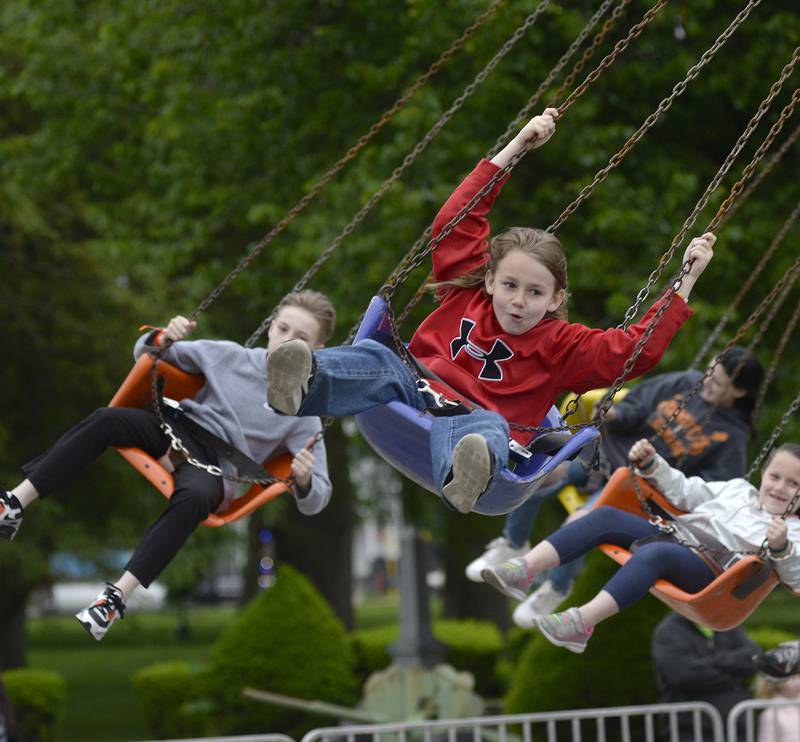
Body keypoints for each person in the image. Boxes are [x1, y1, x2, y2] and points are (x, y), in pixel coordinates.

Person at [264, 108, 715, 515]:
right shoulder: (465, 295)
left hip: (479, 421)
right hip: (414, 387)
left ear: (557, 298)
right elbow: (456, 220)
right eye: (510, 286)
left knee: (487, 430)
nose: (519, 301)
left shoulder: (562, 345)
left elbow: (631, 351)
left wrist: (686, 281)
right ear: (489, 280)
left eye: (535, 293)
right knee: (379, 358)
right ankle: (303, 381)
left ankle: (465, 477)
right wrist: (517, 146)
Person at [0, 289, 336, 640]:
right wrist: (163, 336)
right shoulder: (228, 356)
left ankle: (115, 598)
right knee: (106, 420)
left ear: (317, 351)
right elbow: (145, 354)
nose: (287, 342)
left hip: (217, 467)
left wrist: (305, 479)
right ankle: (14, 504)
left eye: (301, 338)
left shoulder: (304, 413)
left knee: (192, 499)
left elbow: (319, 498)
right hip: (177, 428)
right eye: (283, 329)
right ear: (270, 327)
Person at [466, 346, 765, 626]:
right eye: (710, 373)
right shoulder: (686, 382)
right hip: (608, 451)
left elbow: (710, 492)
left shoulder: (732, 438)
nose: (707, 383)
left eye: (718, 384)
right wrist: (617, 415)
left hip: (638, 485)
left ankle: (556, 588)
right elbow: (639, 405)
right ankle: (513, 542)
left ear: (738, 391)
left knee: (581, 519)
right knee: (539, 475)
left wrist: (662, 472)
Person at [481, 439, 800, 654]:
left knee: (655, 554)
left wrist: (782, 546)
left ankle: (581, 623)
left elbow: (795, 576)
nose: (780, 488)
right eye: (776, 476)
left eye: (794, 483)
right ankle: (525, 570)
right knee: (603, 516)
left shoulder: (793, 531)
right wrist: (652, 464)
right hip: (674, 536)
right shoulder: (737, 491)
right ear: (764, 473)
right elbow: (685, 492)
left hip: (712, 574)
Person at [651, 613, 761, 742]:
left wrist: (713, 662)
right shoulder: (668, 631)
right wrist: (734, 672)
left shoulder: (726, 622)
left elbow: (754, 657)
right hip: (692, 732)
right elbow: (685, 675)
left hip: (736, 728)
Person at [755, 660, 800, 742]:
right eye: (790, 678)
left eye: (798, 676)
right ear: (777, 683)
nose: (797, 683)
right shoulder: (770, 714)